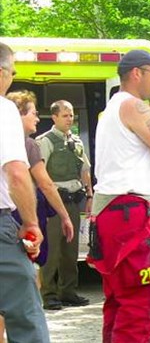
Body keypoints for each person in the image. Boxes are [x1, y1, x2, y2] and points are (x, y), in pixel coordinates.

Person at [90, 49, 150, 343]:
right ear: (137, 73)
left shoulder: (113, 108)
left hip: (110, 211)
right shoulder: (134, 106)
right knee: (146, 296)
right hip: (130, 211)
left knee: (120, 298)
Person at [0, 40, 50, 343]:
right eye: (12, 72)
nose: (12, 79)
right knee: (26, 316)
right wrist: (31, 224)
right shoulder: (3, 109)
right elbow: (18, 174)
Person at [7, 90, 74, 275]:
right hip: (18, 218)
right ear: (18, 114)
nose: (37, 119)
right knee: (30, 269)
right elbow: (46, 184)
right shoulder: (27, 145)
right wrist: (65, 216)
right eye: (33, 113)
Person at [35, 99, 92, 310]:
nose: (70, 119)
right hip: (52, 202)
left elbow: (85, 169)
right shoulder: (45, 141)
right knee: (52, 249)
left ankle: (68, 291)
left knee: (71, 248)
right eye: (65, 115)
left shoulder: (76, 141)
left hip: (73, 200)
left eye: (71, 115)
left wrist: (89, 195)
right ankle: (49, 294)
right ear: (54, 117)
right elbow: (38, 172)